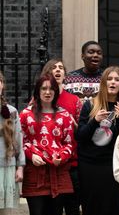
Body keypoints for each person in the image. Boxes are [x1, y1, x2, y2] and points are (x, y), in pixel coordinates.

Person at [20, 75, 75, 215]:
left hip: (58, 172)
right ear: (37, 91)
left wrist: (61, 157)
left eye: (51, 89)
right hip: (34, 173)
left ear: (56, 91)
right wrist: (31, 155)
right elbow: (21, 141)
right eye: (43, 88)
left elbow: (69, 143)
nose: (47, 92)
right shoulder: (26, 114)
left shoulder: (65, 115)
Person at [76, 66, 119, 215]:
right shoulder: (90, 105)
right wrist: (94, 121)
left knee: (115, 206)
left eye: (117, 80)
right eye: (109, 79)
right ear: (103, 83)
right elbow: (80, 136)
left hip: (114, 165)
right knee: (92, 206)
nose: (113, 82)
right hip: (90, 165)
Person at [41, 59, 82, 215]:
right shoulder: (38, 100)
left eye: (60, 68)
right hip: (48, 164)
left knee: (73, 207)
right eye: (53, 68)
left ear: (65, 74)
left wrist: (74, 125)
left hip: (71, 163)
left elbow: (82, 132)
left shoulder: (74, 100)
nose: (57, 70)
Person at [0, 71, 25, 215]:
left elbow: (18, 141)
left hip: (6, 168)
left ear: (2, 85)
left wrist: (20, 167)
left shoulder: (12, 112)